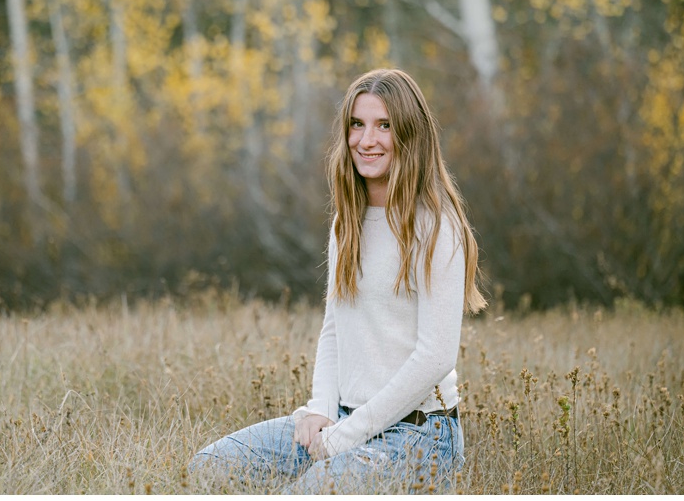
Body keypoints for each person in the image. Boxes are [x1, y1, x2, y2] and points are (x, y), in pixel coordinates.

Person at [189, 68, 487, 494]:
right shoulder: (348, 222)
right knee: (209, 467)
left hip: (420, 434)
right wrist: (321, 411)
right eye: (357, 124)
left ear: (410, 133)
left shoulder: (437, 228)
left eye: (384, 125)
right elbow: (335, 325)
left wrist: (346, 437)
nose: (367, 140)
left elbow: (435, 358)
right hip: (345, 418)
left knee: (313, 490)